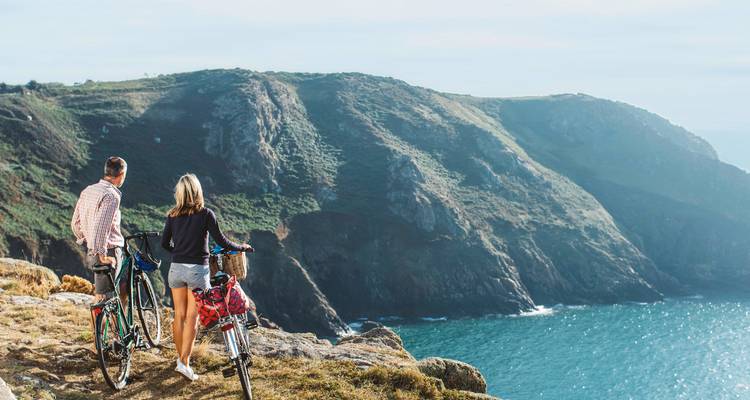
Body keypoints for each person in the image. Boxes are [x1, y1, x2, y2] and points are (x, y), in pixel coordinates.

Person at [161, 173, 252, 381]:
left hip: (176, 269)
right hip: (197, 271)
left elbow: (164, 244)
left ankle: (180, 359)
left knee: (179, 316)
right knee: (192, 319)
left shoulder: (172, 215)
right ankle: (184, 363)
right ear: (197, 191)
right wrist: (242, 247)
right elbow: (223, 241)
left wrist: (179, 250)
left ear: (180, 193)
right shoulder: (205, 214)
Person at [71, 156, 128, 303]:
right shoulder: (112, 196)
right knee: (106, 300)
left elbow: (75, 224)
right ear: (121, 174)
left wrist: (87, 240)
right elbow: (102, 228)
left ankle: (103, 326)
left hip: (92, 249)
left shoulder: (88, 190)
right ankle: (104, 327)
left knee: (101, 297)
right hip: (108, 251)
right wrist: (102, 255)